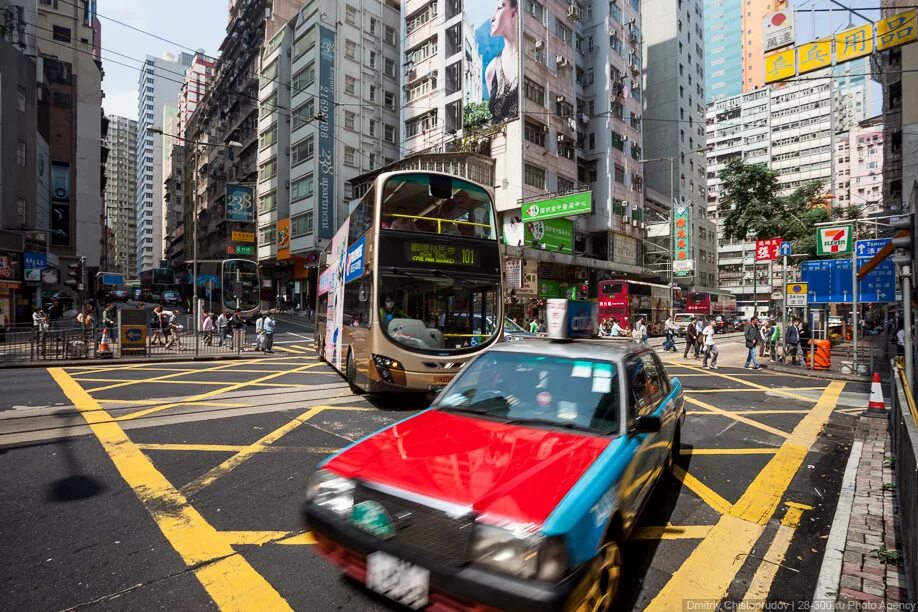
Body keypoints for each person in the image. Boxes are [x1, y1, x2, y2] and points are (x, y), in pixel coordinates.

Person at [484, 0, 520, 123]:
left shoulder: (532, 59)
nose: (492, 18)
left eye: (499, 8)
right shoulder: (491, 70)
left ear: (514, 12)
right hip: (502, 141)